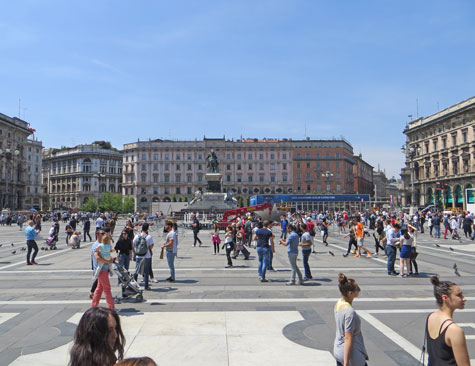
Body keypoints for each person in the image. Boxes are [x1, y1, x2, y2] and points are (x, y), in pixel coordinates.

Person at [426, 276, 470, 366]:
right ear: (445, 298)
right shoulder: (454, 330)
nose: (464, 298)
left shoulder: (431, 317)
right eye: (459, 295)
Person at [333, 273, 368, 366]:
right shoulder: (349, 313)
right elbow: (348, 338)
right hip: (352, 356)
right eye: (357, 288)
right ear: (350, 292)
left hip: (338, 349)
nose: (359, 290)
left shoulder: (339, 303)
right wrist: (346, 363)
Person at [91, 234, 116, 309]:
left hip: (103, 270)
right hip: (102, 271)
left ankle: (94, 305)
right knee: (107, 289)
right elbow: (97, 257)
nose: (102, 235)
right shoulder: (96, 245)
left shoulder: (101, 245)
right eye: (101, 233)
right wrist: (108, 261)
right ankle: (111, 307)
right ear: (97, 235)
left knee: (99, 288)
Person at [133, 223, 154, 291]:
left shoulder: (137, 236)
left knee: (136, 270)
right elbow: (151, 246)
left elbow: (133, 245)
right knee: (146, 271)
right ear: (147, 228)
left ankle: (135, 284)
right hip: (146, 256)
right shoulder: (149, 237)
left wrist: (138, 249)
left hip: (138, 256)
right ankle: (146, 286)